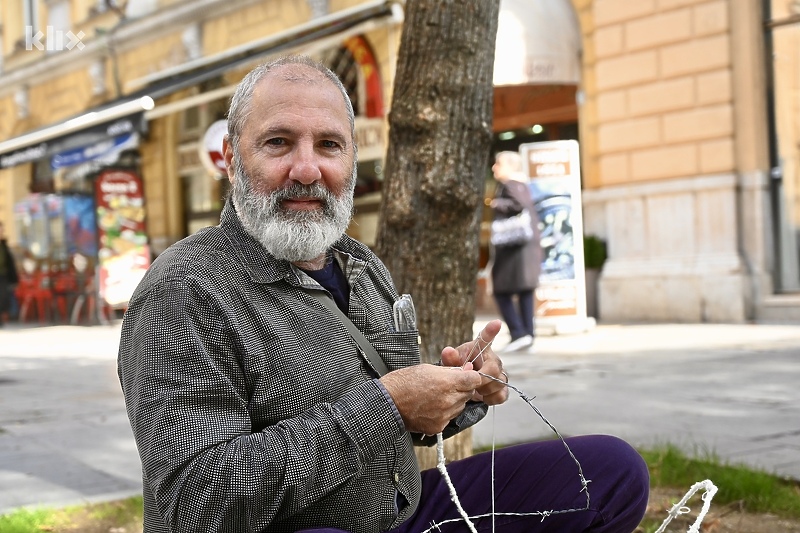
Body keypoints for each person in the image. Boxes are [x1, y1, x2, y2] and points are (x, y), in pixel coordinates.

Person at [117, 55, 648, 533]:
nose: (307, 170)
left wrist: (457, 390)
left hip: (400, 514)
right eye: (278, 142)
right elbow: (191, 506)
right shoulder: (184, 290)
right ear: (233, 159)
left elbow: (403, 421)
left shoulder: (362, 265)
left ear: (350, 160)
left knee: (612, 472)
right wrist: (386, 405)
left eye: (329, 145)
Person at [489, 151, 542, 353]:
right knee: (525, 291)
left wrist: (496, 203)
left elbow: (517, 205)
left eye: (498, 163)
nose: (494, 168)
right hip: (524, 249)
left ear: (510, 166)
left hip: (514, 249)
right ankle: (527, 334)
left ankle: (519, 333)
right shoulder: (523, 185)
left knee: (501, 291)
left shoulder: (510, 185)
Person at [0, 221, 19, 327]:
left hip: (3, 275)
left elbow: (10, 263)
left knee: (3, 297)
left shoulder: (4, 246)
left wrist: (14, 279)